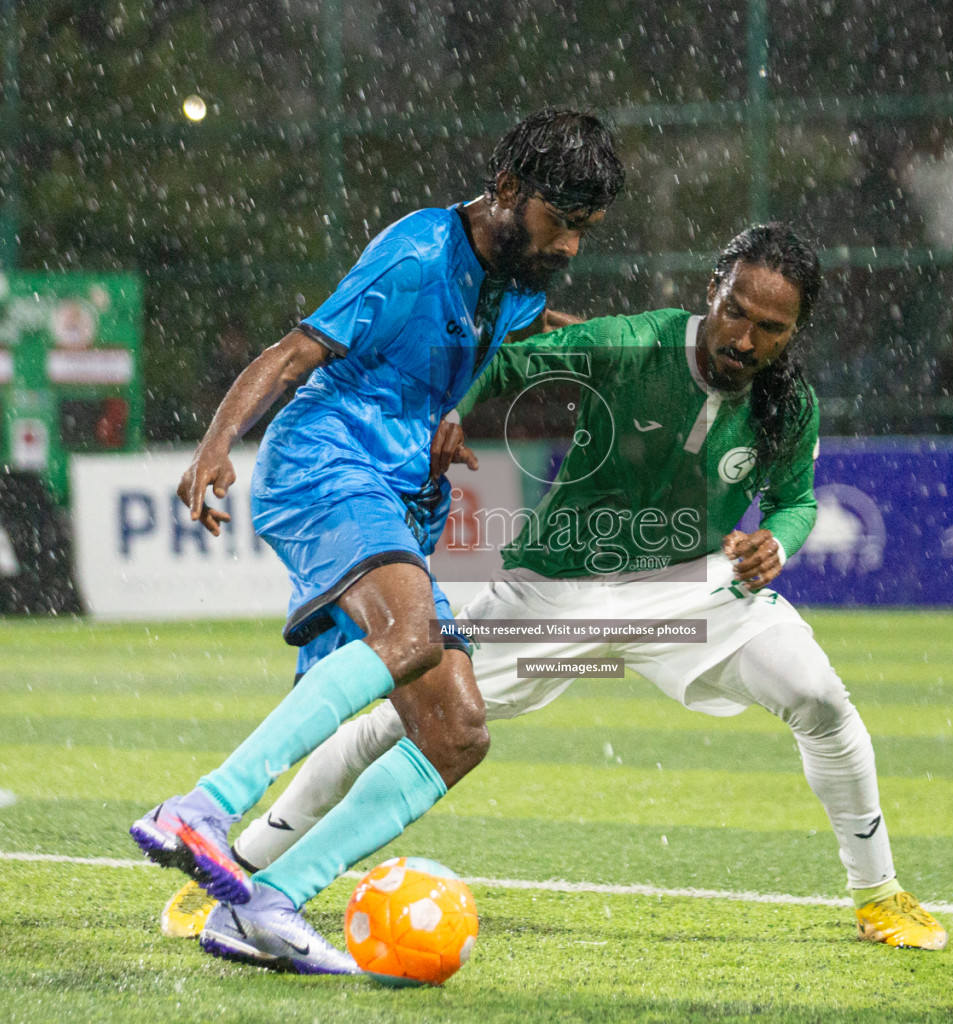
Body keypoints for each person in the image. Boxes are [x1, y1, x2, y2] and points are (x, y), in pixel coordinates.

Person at [164, 224, 949, 961]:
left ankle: (878, 894)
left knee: (821, 700)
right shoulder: (635, 343)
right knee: (411, 719)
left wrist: (779, 538)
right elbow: (504, 359)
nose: (745, 339)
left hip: (694, 592)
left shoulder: (790, 404)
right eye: (736, 311)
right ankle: (236, 868)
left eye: (771, 329)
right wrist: (456, 415)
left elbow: (796, 497)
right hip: (558, 591)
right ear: (714, 289)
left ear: (794, 332)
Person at [129, 108, 625, 974]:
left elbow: (508, 338)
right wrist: (217, 443)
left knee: (457, 731)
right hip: (325, 460)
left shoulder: (522, 283)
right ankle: (200, 809)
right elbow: (294, 354)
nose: (571, 246)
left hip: (397, 495)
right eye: (562, 222)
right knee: (409, 636)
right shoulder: (417, 252)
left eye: (584, 229)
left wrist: (568, 358)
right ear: (508, 190)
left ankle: (271, 901)